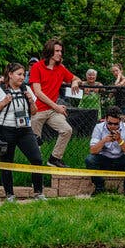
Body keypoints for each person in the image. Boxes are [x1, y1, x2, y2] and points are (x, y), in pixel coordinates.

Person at [0, 62, 44, 202]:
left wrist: (31, 101)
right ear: (10, 74)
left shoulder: (26, 89)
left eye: (24, 74)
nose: (22, 77)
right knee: (6, 162)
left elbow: (34, 112)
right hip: (5, 129)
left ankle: (38, 192)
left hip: (25, 129)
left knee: (37, 159)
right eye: (19, 74)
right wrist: (3, 102)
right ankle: (9, 194)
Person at [29, 38, 81, 168]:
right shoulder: (37, 67)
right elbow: (38, 92)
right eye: (57, 51)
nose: (60, 53)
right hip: (37, 110)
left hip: (52, 111)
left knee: (67, 130)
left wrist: (74, 82)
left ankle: (54, 158)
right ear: (49, 51)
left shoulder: (61, 68)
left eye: (61, 51)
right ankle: (37, 175)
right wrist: (56, 106)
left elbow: (76, 78)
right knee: (36, 145)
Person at [85, 106, 125, 196]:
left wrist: (120, 141)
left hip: (121, 159)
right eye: (110, 123)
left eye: (116, 124)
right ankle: (99, 187)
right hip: (104, 159)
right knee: (90, 159)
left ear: (120, 121)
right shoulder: (99, 128)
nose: (113, 126)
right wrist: (104, 141)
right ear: (105, 119)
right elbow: (93, 151)